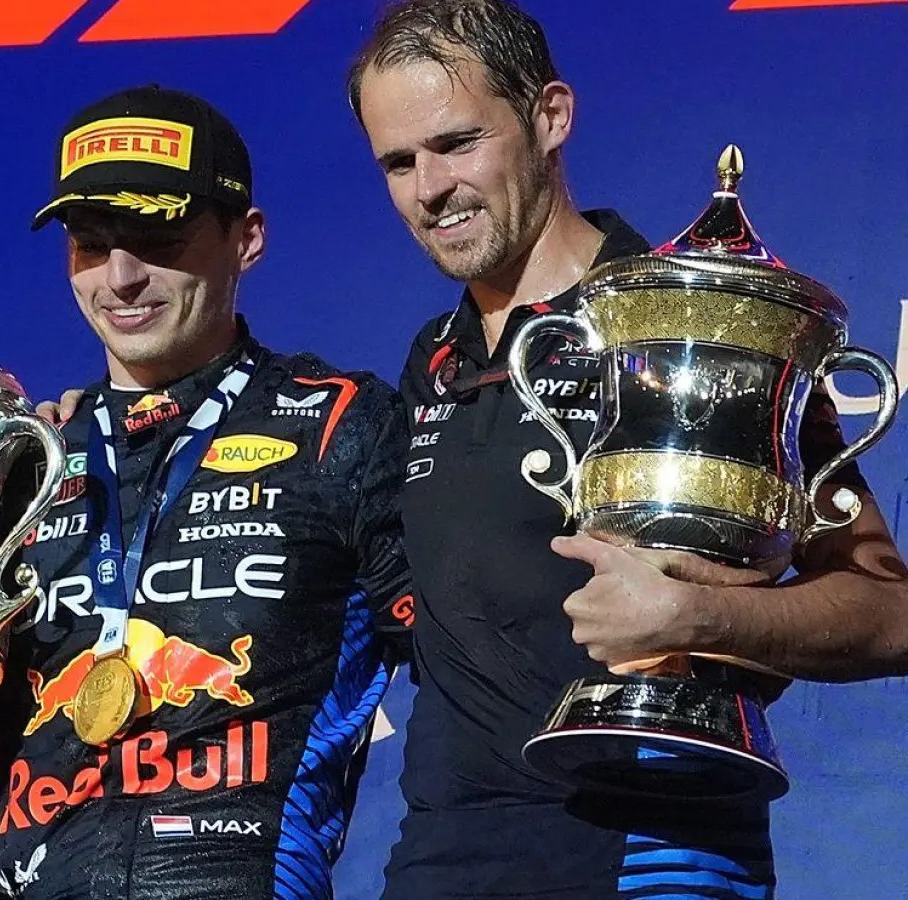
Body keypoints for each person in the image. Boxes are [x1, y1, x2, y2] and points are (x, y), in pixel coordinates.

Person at [0, 85, 415, 900]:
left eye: (158, 236)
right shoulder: (18, 464)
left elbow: (464, 671)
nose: (121, 277)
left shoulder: (341, 426)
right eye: (90, 241)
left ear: (246, 239)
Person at [345, 1, 908, 898]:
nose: (429, 189)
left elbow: (889, 611)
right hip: (441, 862)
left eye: (457, 144)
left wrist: (705, 622)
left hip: (652, 858)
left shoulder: (702, 329)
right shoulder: (434, 361)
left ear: (550, 117)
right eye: (398, 162)